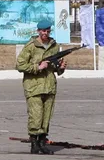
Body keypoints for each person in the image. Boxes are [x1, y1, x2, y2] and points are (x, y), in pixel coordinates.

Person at [16, 19, 67, 155]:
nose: (45, 33)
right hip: (34, 87)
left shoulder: (54, 46)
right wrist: (37, 67)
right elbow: (20, 65)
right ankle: (34, 143)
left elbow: (55, 69)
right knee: (36, 117)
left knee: (46, 117)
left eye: (48, 31)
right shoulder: (31, 46)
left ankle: (42, 143)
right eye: (43, 31)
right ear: (38, 31)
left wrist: (61, 68)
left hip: (49, 86)